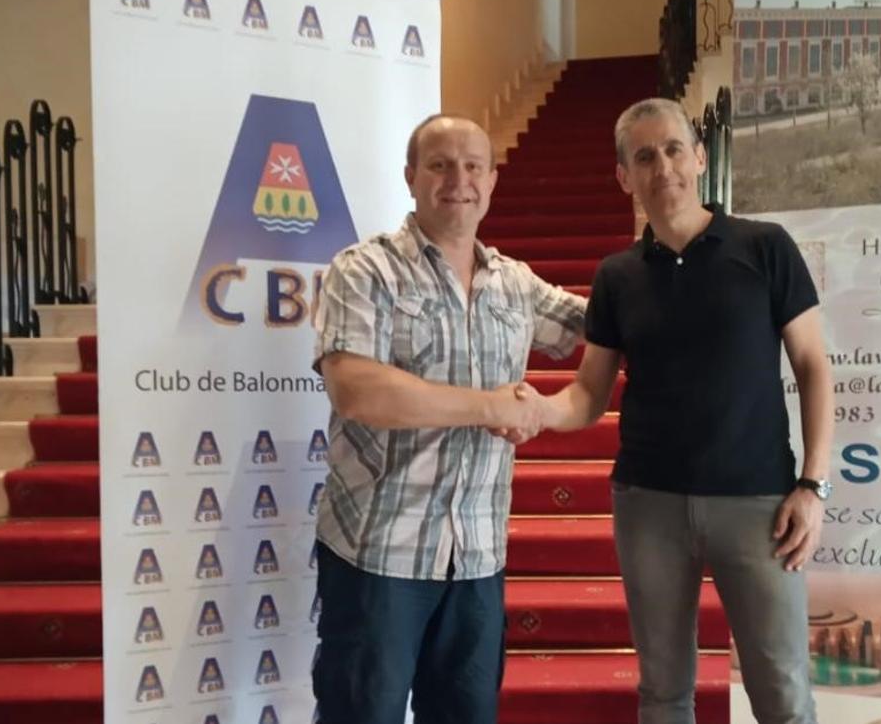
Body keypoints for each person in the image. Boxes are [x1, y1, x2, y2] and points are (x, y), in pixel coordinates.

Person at [523, 98, 835, 724]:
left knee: (781, 692)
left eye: (672, 149)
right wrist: (538, 412)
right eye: (643, 157)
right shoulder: (617, 276)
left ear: (698, 157)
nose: (661, 166)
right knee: (663, 692)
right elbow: (588, 394)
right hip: (649, 507)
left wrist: (812, 485)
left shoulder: (765, 247)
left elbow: (813, 366)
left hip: (759, 505)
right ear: (624, 178)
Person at [310, 113, 585, 724]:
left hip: (478, 558)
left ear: (491, 180)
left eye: (472, 166)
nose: (457, 179)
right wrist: (490, 405)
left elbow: (600, 325)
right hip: (378, 556)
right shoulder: (364, 270)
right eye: (439, 165)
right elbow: (356, 389)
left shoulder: (515, 283)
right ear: (410, 177)